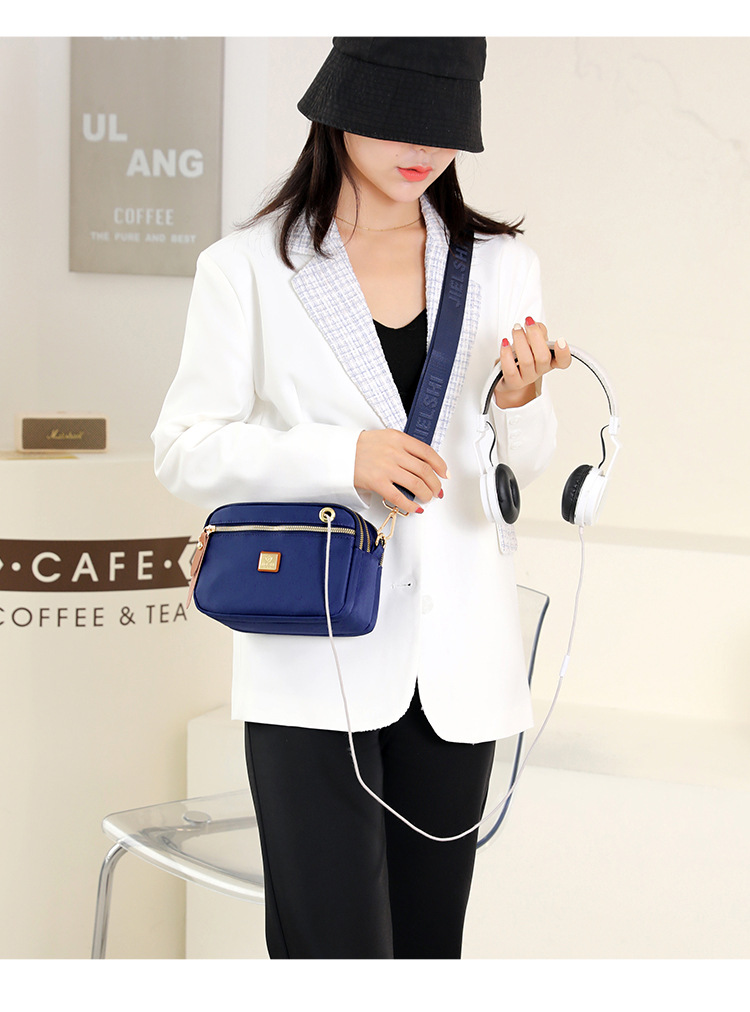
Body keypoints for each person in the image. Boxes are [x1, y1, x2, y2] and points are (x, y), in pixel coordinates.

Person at [152, 37, 571, 959]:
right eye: (396, 121)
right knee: (330, 954)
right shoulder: (248, 267)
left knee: (428, 951)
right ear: (338, 111)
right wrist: (344, 457)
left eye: (444, 128)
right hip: (313, 658)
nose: (422, 148)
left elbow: (517, 477)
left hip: (457, 665)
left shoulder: (501, 266)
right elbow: (184, 449)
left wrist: (521, 403)